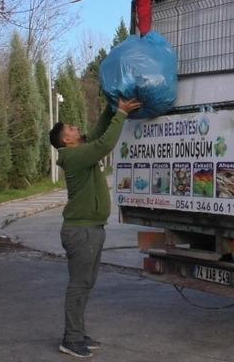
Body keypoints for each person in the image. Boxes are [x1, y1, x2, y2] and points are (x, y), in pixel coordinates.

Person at [49, 97, 142, 358]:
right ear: (66, 141)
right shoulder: (74, 156)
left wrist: (111, 108)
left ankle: (77, 332)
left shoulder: (79, 151)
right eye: (70, 129)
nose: (76, 128)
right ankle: (71, 338)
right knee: (79, 285)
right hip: (82, 232)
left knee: (86, 283)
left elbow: (99, 134)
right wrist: (121, 115)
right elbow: (105, 143)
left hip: (91, 229)